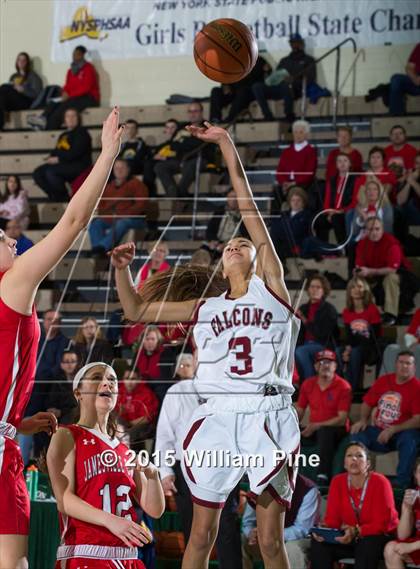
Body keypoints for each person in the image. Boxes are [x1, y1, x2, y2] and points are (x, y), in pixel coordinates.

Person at [112, 120, 301, 569]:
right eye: (230, 244)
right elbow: (137, 311)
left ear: (258, 257)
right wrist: (120, 270)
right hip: (217, 415)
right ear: (220, 260)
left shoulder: (271, 287)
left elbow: (247, 204)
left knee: (270, 542)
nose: (236, 245)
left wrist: (227, 144)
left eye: (244, 242)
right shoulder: (206, 306)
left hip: (267, 415)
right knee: (201, 535)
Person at [0, 107, 123, 569]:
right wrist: (108, 153)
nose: (12, 239)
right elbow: (72, 223)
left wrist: (17, 420)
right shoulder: (11, 284)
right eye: (2, 236)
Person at [46, 362, 165, 568]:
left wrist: (153, 477)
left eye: (112, 380)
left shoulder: (124, 451)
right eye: (96, 378)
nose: (106, 384)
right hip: (85, 553)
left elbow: (154, 510)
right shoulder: (66, 435)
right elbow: (64, 500)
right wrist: (111, 520)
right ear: (78, 393)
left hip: (127, 557)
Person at [156, 352, 243, 568]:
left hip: (223, 465)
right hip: (186, 467)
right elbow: (165, 435)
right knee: (192, 529)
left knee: (227, 528)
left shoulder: (229, 391)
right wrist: (165, 471)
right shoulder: (177, 391)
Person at [310, 441, 399, 569]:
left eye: (359, 456)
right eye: (349, 456)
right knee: (319, 543)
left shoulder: (380, 482)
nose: (354, 459)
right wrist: (324, 530)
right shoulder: (337, 482)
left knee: (367, 542)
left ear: (368, 463)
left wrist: (357, 531)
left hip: (378, 537)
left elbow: (382, 524)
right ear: (345, 464)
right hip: (349, 537)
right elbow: (332, 520)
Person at [351, 350, 420, 489]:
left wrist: (393, 429)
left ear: (414, 367)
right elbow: (367, 402)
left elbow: (418, 419)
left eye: (408, 363)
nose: (404, 366)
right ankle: (359, 478)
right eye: (401, 362)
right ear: (395, 364)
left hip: (403, 433)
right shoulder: (384, 380)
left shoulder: (417, 388)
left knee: (411, 440)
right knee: (357, 435)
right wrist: (363, 420)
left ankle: (402, 484)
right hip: (379, 431)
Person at [241, 474, 320, 569]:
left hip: (294, 539)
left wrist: (268, 534)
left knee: (293, 548)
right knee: (239, 540)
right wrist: (251, 533)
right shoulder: (259, 483)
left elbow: (302, 529)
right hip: (262, 537)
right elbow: (247, 522)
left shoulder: (308, 488)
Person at [296, 350, 351, 483]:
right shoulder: (308, 384)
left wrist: (317, 426)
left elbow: (342, 419)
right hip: (314, 428)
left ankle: (322, 475)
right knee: (288, 433)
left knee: (325, 432)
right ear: (315, 367)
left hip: (337, 429)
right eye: (321, 362)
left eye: (329, 362)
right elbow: (300, 410)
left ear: (335, 366)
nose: (325, 366)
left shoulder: (343, 386)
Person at [154, 102, 215, 208]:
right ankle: (172, 190)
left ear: (201, 112)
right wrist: (190, 141)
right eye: (190, 111)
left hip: (200, 158)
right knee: (160, 166)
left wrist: (184, 141)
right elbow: (173, 145)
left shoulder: (208, 126)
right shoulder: (183, 127)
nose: (192, 114)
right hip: (180, 159)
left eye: (195, 111)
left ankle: (180, 193)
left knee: (190, 165)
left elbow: (201, 145)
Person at [29, 45, 100, 131]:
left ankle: (49, 130)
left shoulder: (88, 68)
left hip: (88, 98)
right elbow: (67, 86)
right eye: (73, 54)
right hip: (73, 97)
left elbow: (86, 88)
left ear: (83, 55)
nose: (74, 56)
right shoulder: (71, 71)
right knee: (54, 102)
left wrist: (69, 95)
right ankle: (42, 118)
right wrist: (64, 93)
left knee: (62, 109)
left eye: (77, 54)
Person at [88, 158, 149, 256]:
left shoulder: (137, 184)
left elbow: (141, 205)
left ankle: (102, 248)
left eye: (122, 168)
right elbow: (101, 207)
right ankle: (100, 251)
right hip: (113, 218)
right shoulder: (108, 186)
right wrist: (110, 214)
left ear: (128, 169)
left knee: (122, 222)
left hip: (134, 219)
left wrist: (121, 214)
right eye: (116, 168)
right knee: (96, 224)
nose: (119, 171)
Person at [354, 217, 408, 325]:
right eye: (370, 229)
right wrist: (357, 271)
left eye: (377, 229)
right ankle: (367, 313)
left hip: (396, 274)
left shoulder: (392, 243)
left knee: (390, 279)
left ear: (382, 229)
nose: (374, 232)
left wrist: (370, 271)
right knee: (358, 280)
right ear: (365, 231)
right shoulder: (362, 243)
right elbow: (359, 265)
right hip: (373, 275)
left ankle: (391, 315)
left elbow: (392, 269)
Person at [252, 33, 316, 123]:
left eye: (297, 42)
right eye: (292, 43)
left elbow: (311, 79)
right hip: (279, 88)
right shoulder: (284, 60)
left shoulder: (309, 60)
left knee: (286, 85)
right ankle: (267, 115)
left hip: (295, 89)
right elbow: (276, 76)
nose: (294, 45)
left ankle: (289, 115)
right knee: (257, 86)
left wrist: (293, 80)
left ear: (301, 43)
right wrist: (268, 74)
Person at [32, 108, 92, 201]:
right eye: (68, 116)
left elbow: (75, 153)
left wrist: (58, 159)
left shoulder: (82, 133)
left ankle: (64, 198)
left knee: (51, 172)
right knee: (38, 173)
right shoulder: (63, 135)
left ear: (78, 118)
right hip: (64, 163)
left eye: (73, 116)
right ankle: (55, 196)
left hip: (78, 165)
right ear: (64, 119)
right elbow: (57, 150)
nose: (71, 118)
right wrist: (50, 157)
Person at [339, 277, 382, 389]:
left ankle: (352, 388)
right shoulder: (347, 311)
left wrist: (350, 348)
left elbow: (376, 336)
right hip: (354, 345)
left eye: (360, 286)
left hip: (370, 347)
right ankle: (341, 386)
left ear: (365, 289)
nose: (356, 289)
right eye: (353, 287)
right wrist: (347, 349)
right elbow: (349, 336)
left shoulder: (372, 309)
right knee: (338, 351)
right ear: (349, 291)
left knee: (355, 352)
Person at [295, 274, 339, 380]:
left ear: (324, 291)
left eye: (318, 287)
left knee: (301, 351)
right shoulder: (303, 308)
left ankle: (309, 382)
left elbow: (323, 334)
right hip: (304, 344)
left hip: (322, 344)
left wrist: (305, 321)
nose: (314, 290)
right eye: (312, 287)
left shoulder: (329, 309)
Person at [209, 54, 272, 123]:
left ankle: (230, 118)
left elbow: (269, 75)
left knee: (243, 91)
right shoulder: (231, 60)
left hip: (249, 92)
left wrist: (268, 70)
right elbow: (225, 77)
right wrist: (225, 85)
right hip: (233, 91)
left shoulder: (258, 60)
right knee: (215, 91)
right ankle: (215, 119)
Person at [384, 459, 420, 568]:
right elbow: (402, 535)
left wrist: (412, 547)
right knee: (391, 548)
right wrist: (407, 509)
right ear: (415, 476)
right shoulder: (415, 495)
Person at [116, 367, 159, 452]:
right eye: (127, 378)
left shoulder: (147, 393)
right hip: (123, 424)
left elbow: (147, 418)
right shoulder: (119, 392)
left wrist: (129, 424)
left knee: (126, 435)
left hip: (141, 425)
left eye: (133, 379)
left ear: (139, 379)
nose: (129, 382)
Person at [318, 153, 356, 245]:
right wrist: (329, 212)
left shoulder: (355, 179)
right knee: (318, 220)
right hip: (333, 212)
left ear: (350, 164)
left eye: (345, 161)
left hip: (346, 211)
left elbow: (355, 201)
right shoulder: (332, 180)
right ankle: (325, 248)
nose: (342, 163)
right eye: (339, 161)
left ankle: (342, 246)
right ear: (336, 165)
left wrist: (340, 211)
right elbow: (327, 200)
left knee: (336, 218)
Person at [0, 52, 42, 130]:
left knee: (3, 87)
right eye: (19, 60)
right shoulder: (14, 76)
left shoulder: (33, 76)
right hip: (14, 101)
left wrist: (23, 90)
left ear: (27, 63)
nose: (21, 62)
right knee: (2, 92)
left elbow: (37, 95)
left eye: (24, 60)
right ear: (16, 62)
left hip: (26, 101)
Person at [276, 120, 317, 198]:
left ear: (306, 135)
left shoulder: (310, 151)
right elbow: (280, 170)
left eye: (301, 132)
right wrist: (284, 182)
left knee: (295, 190)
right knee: (276, 192)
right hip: (286, 184)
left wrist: (294, 183)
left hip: (303, 184)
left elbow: (309, 173)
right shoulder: (286, 151)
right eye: (295, 132)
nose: (298, 135)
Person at [269, 185, 312, 262]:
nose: (295, 203)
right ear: (289, 201)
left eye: (298, 200)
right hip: (282, 242)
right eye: (293, 200)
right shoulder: (283, 214)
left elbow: (297, 231)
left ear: (303, 202)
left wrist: (282, 228)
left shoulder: (307, 215)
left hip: (296, 244)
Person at [348, 178, 394, 242]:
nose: (372, 192)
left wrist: (366, 219)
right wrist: (361, 218)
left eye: (375, 189)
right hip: (362, 239)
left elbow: (388, 229)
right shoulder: (360, 207)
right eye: (369, 189)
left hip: (382, 239)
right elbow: (354, 231)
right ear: (365, 192)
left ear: (379, 192)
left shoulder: (386, 207)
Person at [142, 118, 179, 196]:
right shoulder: (164, 144)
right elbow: (153, 154)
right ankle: (149, 193)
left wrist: (165, 158)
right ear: (165, 129)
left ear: (177, 129)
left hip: (176, 164)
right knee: (148, 163)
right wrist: (155, 156)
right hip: (162, 164)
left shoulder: (181, 142)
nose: (170, 130)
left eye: (173, 127)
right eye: (168, 127)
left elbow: (181, 155)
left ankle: (150, 193)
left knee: (154, 165)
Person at [381, 308, 420, 378]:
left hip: (417, 347)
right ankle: (386, 384)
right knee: (391, 348)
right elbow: (410, 334)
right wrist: (409, 343)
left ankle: (415, 386)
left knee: (418, 349)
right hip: (414, 345)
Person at [46, 350, 80, 425]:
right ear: (61, 364)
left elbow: (77, 406)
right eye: (66, 361)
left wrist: (61, 412)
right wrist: (52, 409)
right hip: (58, 419)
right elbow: (51, 402)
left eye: (73, 361)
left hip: (75, 418)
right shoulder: (57, 382)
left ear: (77, 364)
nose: (70, 365)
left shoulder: (82, 382)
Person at [389, 43, 420, 116]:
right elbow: (409, 67)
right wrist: (415, 78)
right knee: (396, 79)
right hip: (416, 82)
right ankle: (397, 116)